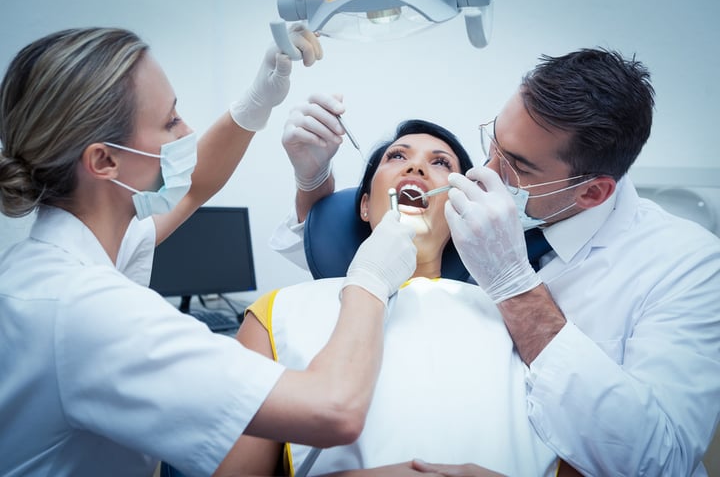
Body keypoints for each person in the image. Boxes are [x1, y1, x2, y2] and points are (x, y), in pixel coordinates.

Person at [271, 49, 720, 476]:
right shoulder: (281, 314)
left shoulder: (686, 265)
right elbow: (329, 255)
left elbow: (661, 461)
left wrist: (512, 283)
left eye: (517, 165)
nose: (485, 171)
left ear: (591, 193)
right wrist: (313, 179)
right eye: (493, 142)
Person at [0, 27, 418, 477]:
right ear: (104, 162)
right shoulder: (87, 309)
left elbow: (193, 185)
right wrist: (371, 277)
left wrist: (259, 99)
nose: (188, 132)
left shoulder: (70, 252)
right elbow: (333, 409)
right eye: (170, 122)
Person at [228, 117, 558, 477]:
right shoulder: (276, 314)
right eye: (397, 157)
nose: (416, 166)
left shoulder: (521, 322)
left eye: (440, 162)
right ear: (366, 206)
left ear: (457, 211)